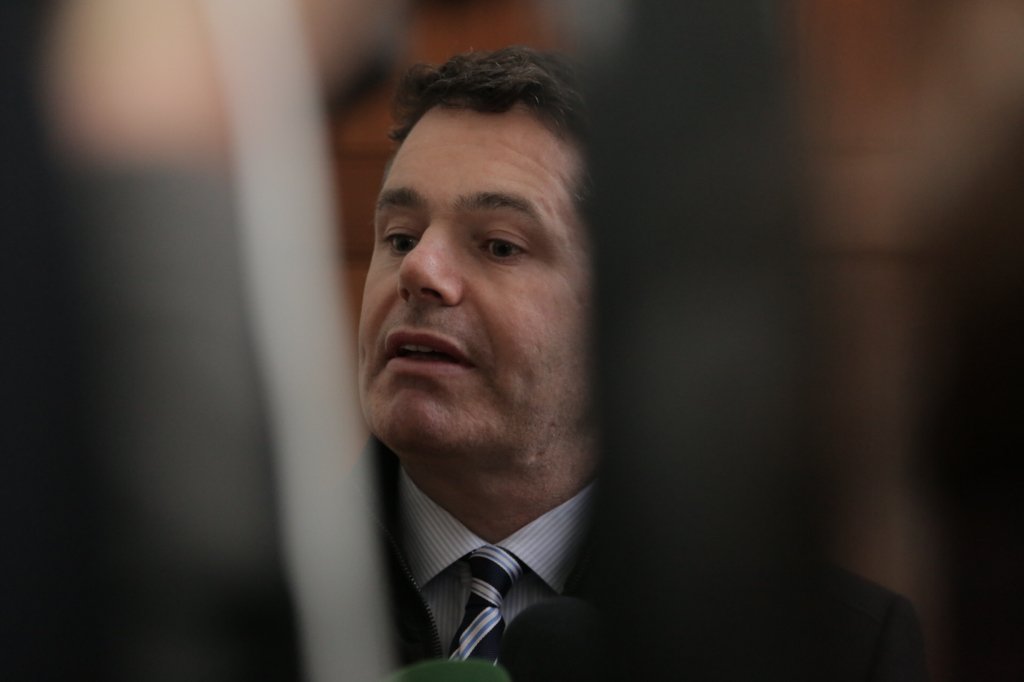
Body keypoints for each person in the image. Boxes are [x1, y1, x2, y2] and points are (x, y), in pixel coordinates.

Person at [356, 46, 929, 679]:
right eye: (400, 237)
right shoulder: (270, 595)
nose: (419, 270)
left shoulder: (837, 650)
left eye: (499, 246)